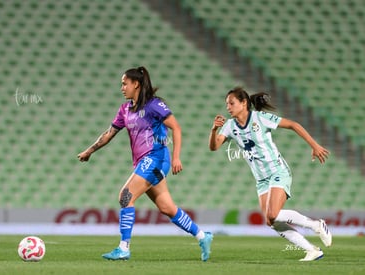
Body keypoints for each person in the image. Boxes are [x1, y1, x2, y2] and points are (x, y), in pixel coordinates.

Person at [78, 66, 213, 261]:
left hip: (157, 158)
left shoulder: (154, 105)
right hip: (144, 161)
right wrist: (90, 150)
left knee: (125, 196)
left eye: (125, 84)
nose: (122, 88)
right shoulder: (125, 110)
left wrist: (176, 157)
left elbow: (176, 128)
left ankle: (124, 247)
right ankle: (203, 236)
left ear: (136, 84)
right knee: (167, 208)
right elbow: (109, 134)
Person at [208, 86, 332, 261]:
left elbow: (293, 125)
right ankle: (312, 250)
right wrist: (214, 130)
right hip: (261, 180)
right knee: (270, 221)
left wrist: (314, 145)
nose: (228, 107)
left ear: (244, 103)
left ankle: (316, 224)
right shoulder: (229, 126)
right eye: (226, 104)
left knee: (272, 214)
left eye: (231, 103)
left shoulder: (260, 118)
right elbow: (214, 147)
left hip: (277, 170)